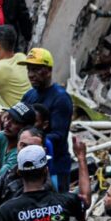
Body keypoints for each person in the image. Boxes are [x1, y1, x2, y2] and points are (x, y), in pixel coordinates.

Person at [19, 48, 73, 191]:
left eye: (36, 70)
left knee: (57, 208)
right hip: (31, 165)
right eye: (29, 70)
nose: (31, 75)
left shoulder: (60, 98)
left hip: (55, 165)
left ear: (48, 71)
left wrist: (31, 141)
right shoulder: (29, 96)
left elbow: (58, 136)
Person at [0, 102, 36, 176]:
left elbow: (1, 177)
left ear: (26, 128)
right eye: (8, 118)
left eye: (15, 122)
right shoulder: (3, 135)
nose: (7, 124)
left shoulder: (21, 152)